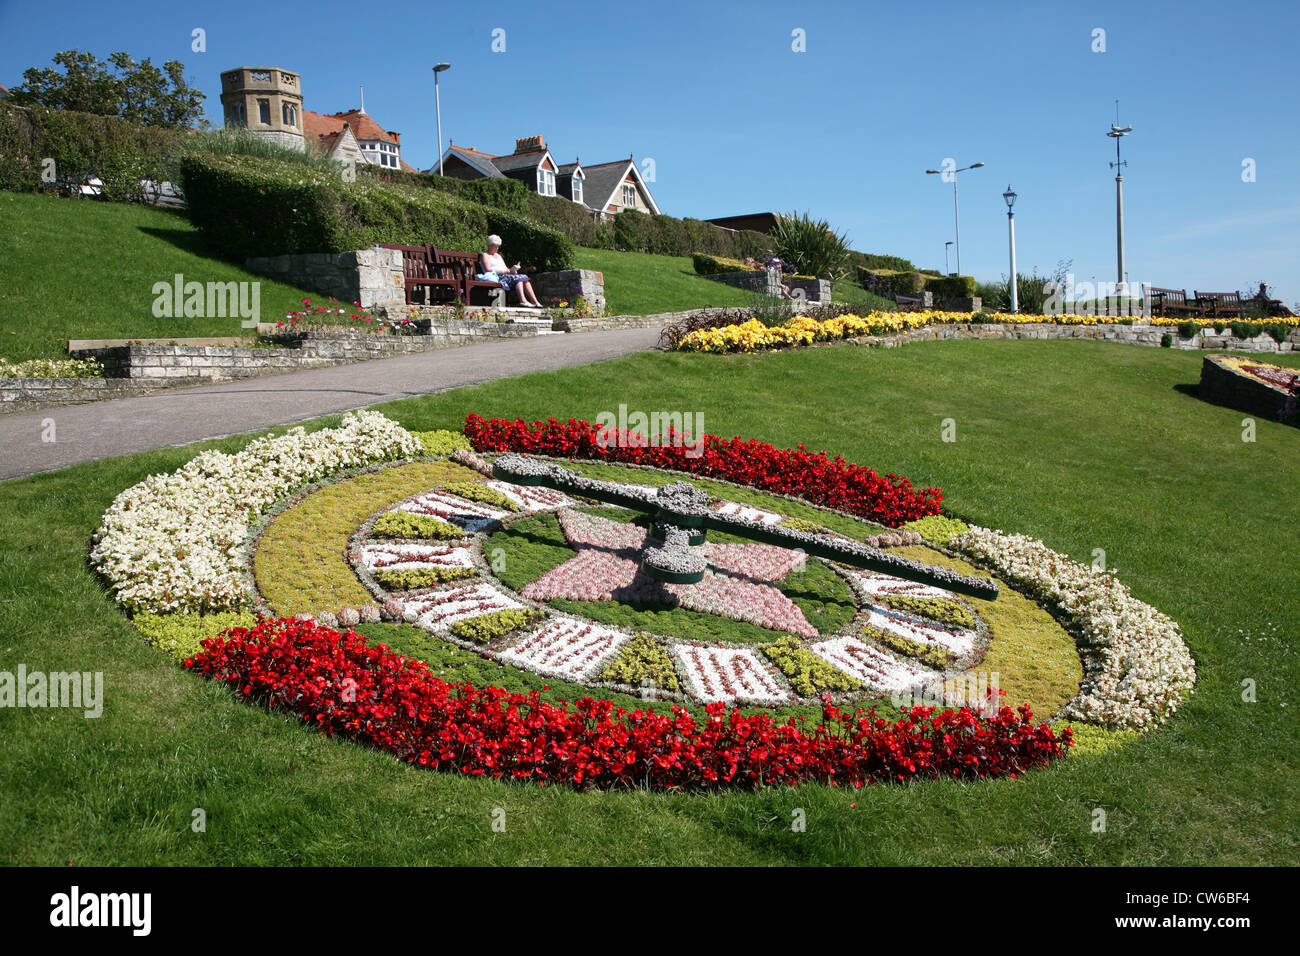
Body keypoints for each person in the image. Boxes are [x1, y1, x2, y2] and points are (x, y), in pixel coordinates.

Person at [479, 235, 542, 307]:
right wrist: (505, 271)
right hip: (496, 277)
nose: (497, 248)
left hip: (505, 275)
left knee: (524, 278)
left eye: (498, 246)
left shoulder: (498, 256)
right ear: (490, 245)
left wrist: (512, 270)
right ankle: (523, 301)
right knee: (519, 279)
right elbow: (488, 269)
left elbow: (505, 268)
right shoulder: (485, 255)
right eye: (495, 246)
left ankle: (535, 301)